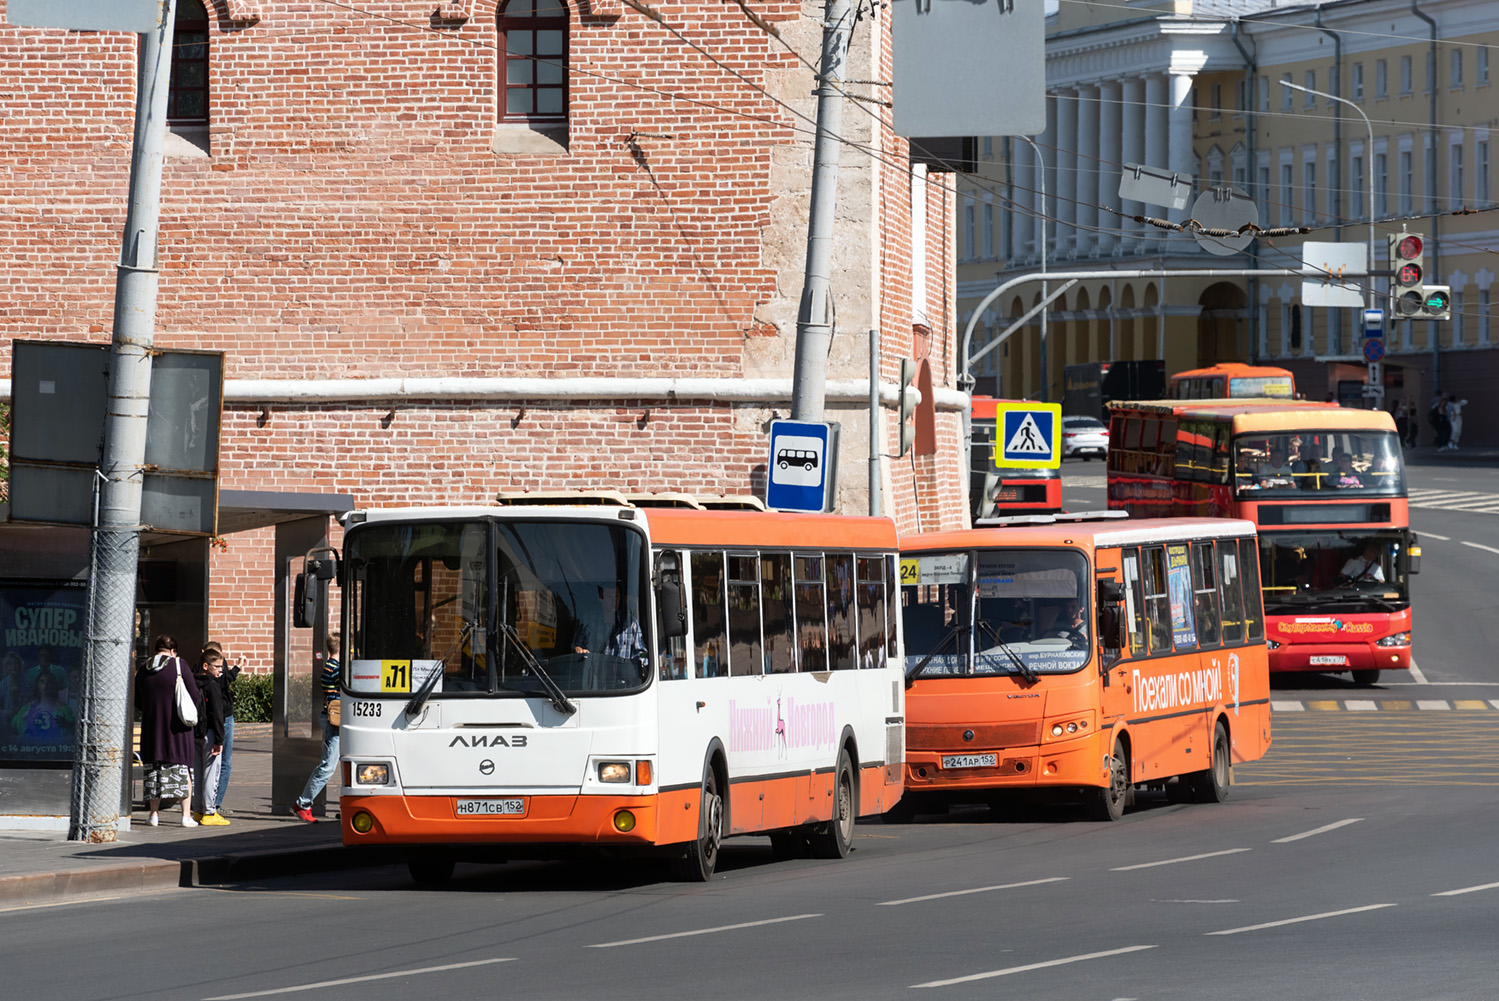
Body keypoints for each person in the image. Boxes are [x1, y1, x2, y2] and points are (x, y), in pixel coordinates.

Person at [135, 635, 201, 827]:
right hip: (178, 729)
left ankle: (154, 815)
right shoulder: (179, 664)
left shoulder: (143, 668)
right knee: (183, 768)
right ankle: (185, 816)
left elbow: (138, 700)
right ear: (173, 650)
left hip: (152, 728)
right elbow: (194, 695)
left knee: (153, 770)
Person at [293, 631, 341, 823]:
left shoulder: (331, 666)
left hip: (334, 718)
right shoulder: (335, 668)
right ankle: (303, 803)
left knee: (343, 763)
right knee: (328, 766)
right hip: (334, 719)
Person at [201, 640, 240, 815]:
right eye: (217, 665)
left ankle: (209, 803)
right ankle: (212, 804)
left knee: (219, 764)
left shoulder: (203, 671)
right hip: (219, 719)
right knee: (219, 763)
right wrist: (236, 669)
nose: (220, 669)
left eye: (221, 665)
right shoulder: (209, 677)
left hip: (220, 718)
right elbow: (223, 681)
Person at [191, 650, 230, 826]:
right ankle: (209, 812)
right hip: (210, 733)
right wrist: (220, 740)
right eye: (217, 666)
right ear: (206, 666)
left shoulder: (192, 682)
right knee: (211, 773)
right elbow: (217, 715)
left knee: (198, 774)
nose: (220, 670)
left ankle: (198, 810)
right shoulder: (213, 686)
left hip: (194, 732)